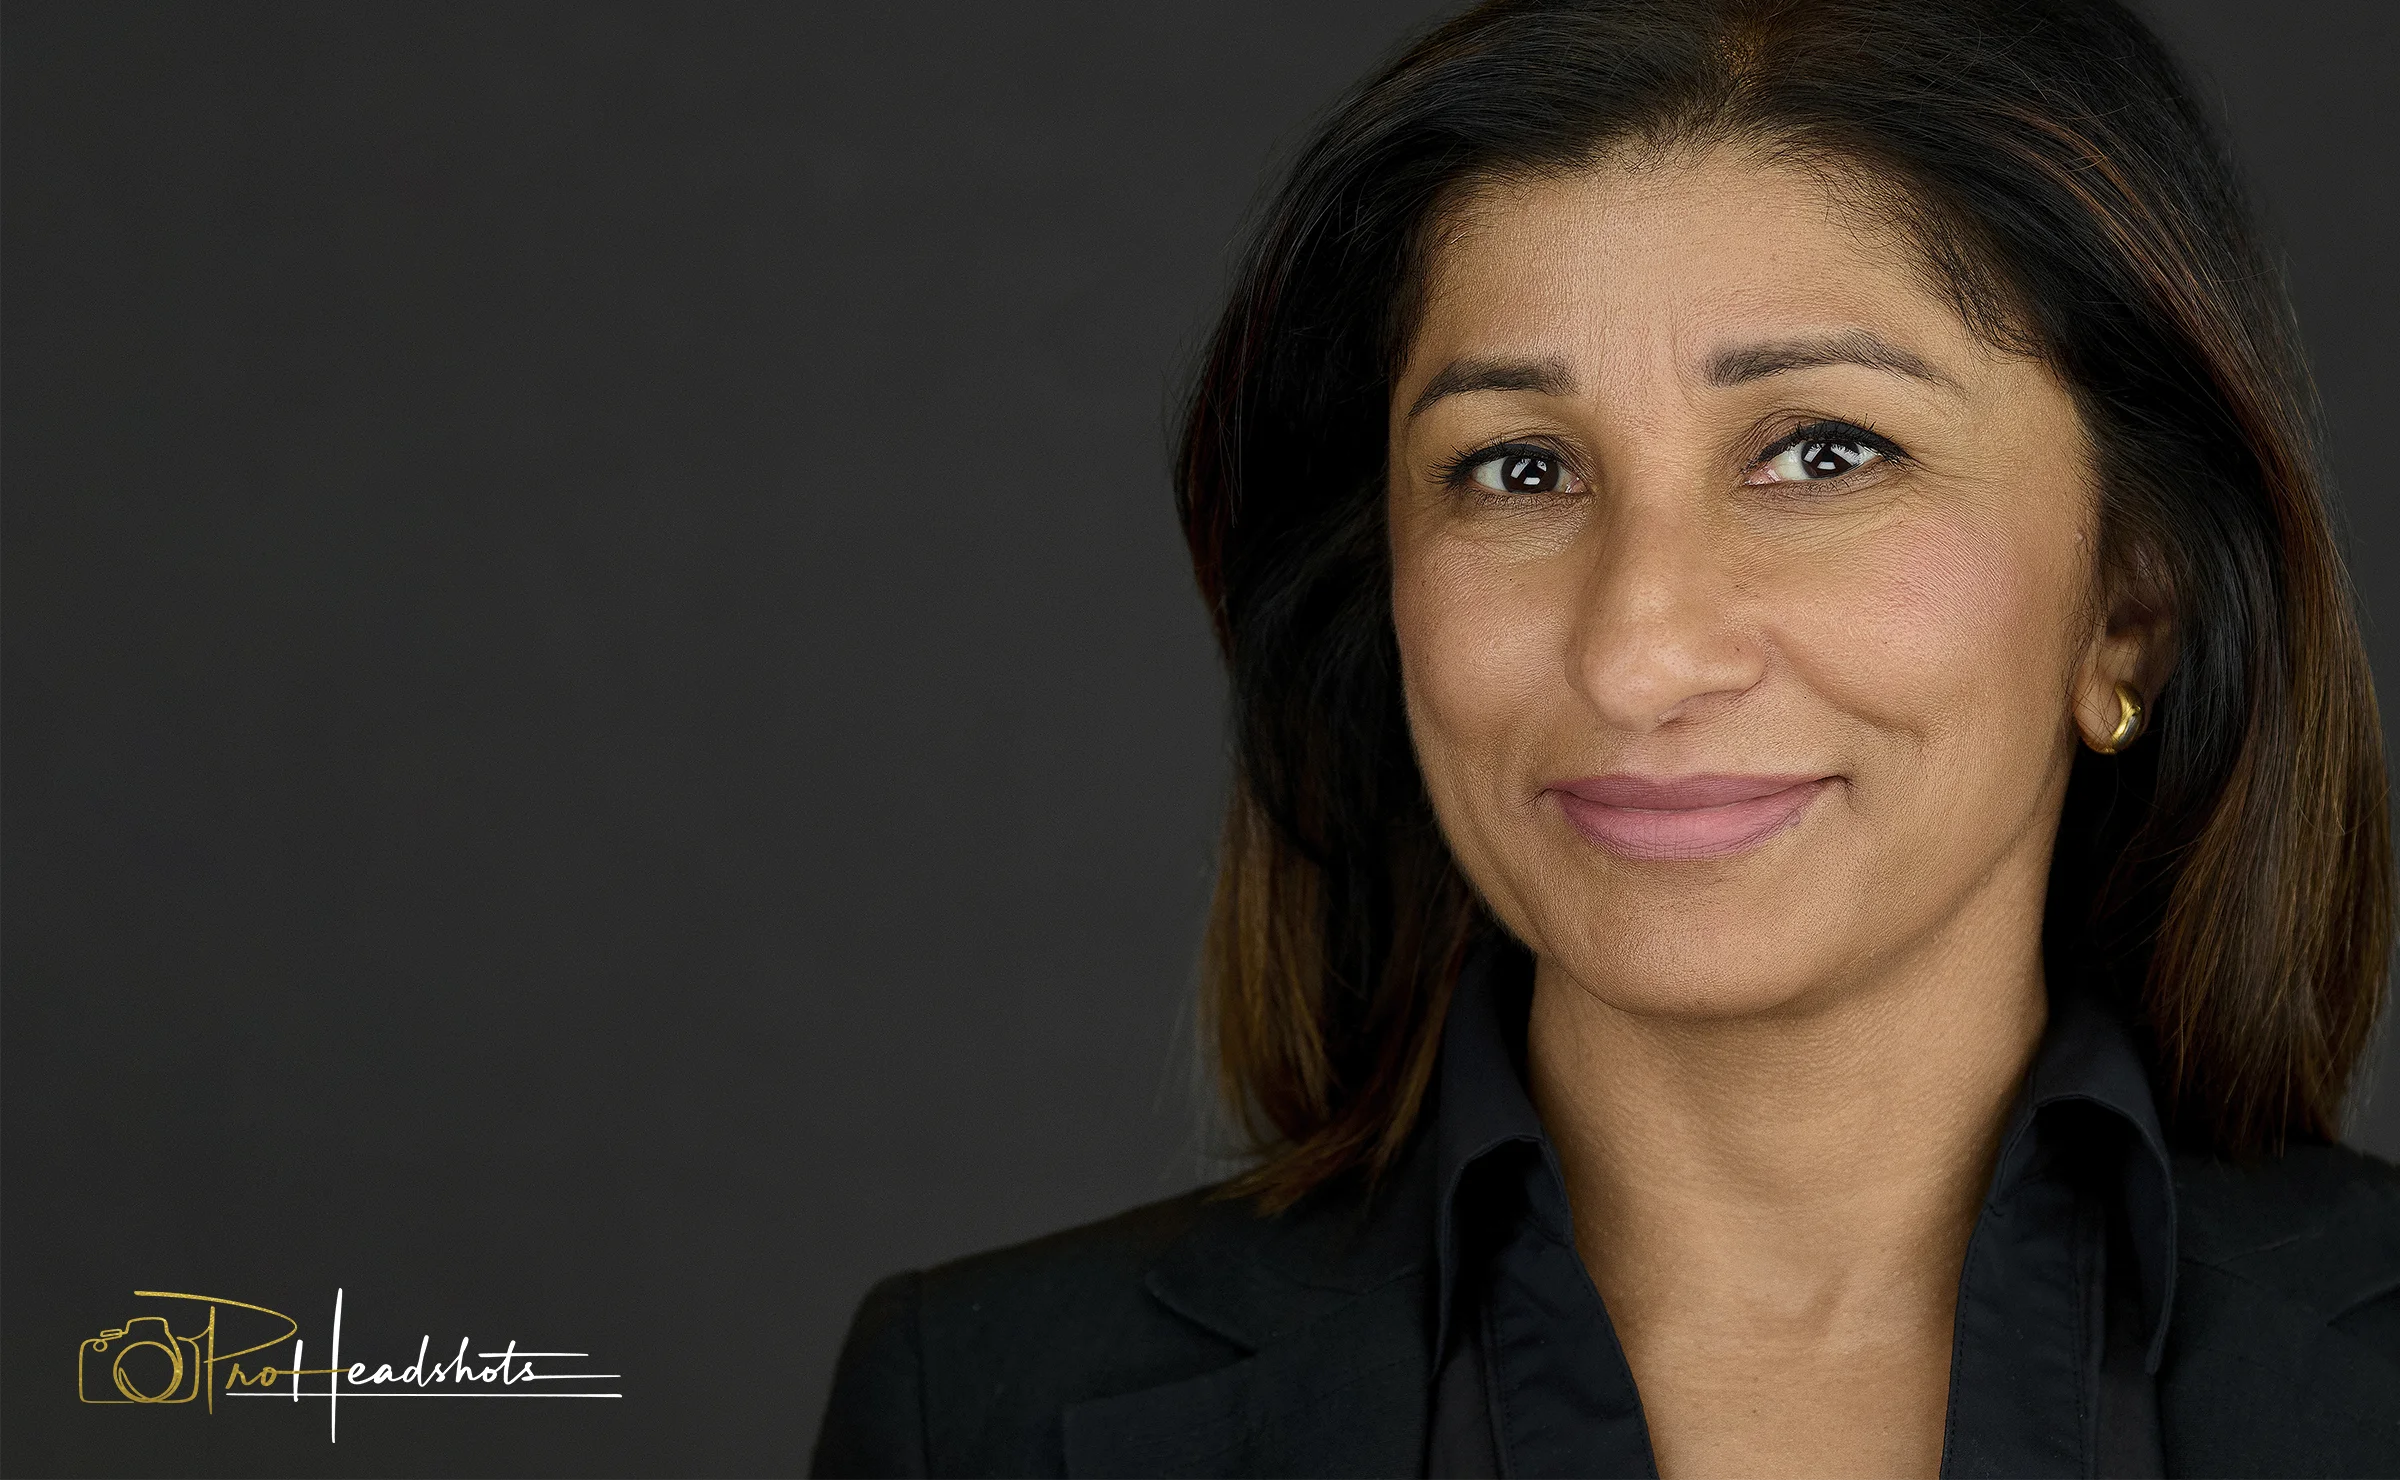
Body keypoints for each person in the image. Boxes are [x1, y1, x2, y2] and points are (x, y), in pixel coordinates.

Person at [811, 1, 2400, 1475]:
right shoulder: (986, 1410)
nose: (1639, 650)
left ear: (2132, 600)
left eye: (1823, 453)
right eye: (1514, 470)